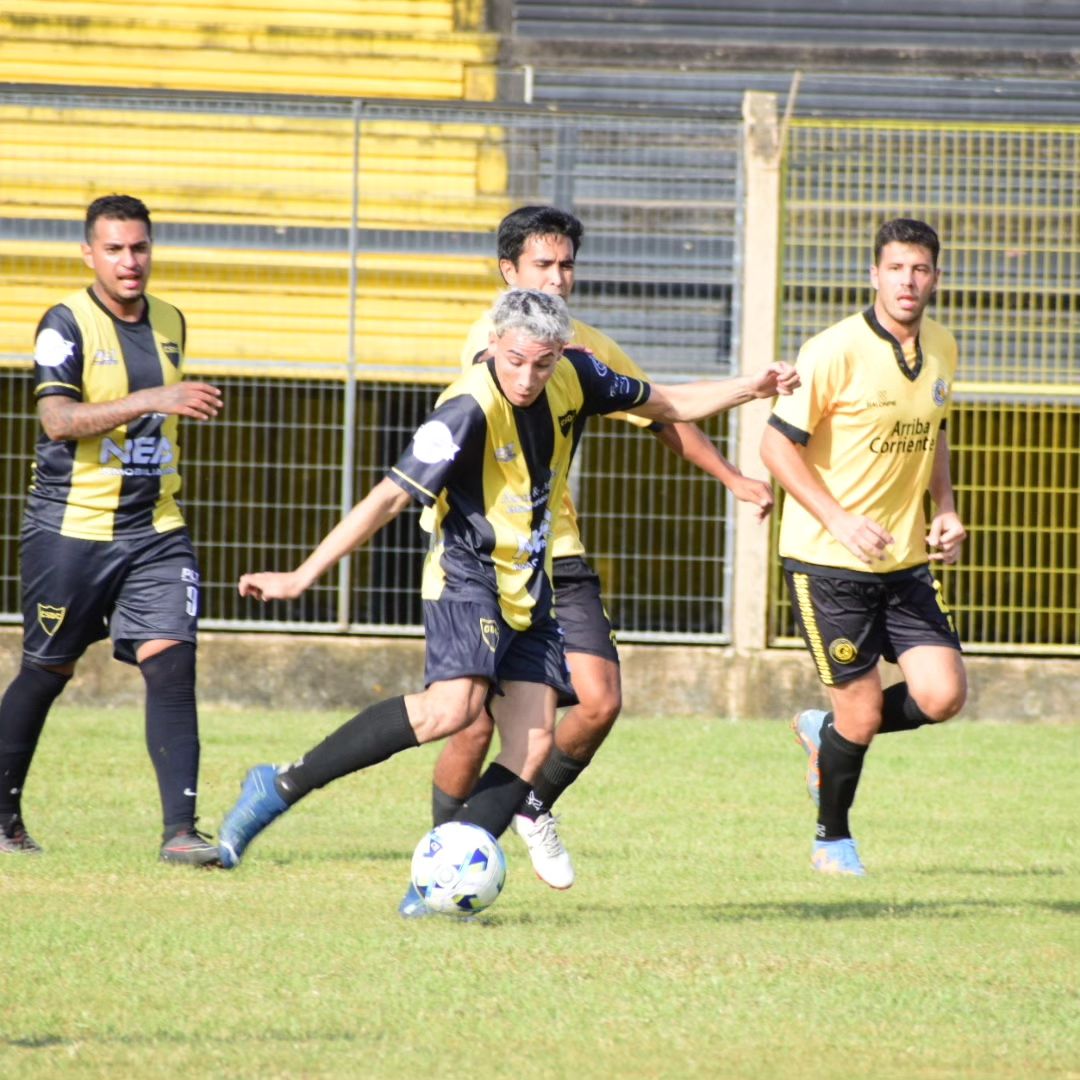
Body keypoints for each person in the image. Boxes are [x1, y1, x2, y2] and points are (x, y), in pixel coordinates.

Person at [217, 289, 798, 909]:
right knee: (453, 709)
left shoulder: (577, 374)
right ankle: (281, 785)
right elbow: (389, 496)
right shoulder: (466, 408)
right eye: (516, 360)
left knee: (532, 744)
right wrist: (302, 575)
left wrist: (753, 387)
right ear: (494, 343)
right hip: (468, 576)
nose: (527, 377)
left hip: (531, 580)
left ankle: (435, 889)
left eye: (542, 364)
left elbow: (668, 403)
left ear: (561, 354)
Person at [425, 205, 776, 896]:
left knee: (600, 700)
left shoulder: (586, 347)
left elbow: (661, 411)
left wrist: (732, 476)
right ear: (509, 272)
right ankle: (439, 856)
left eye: (567, 265)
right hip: (486, 559)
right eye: (543, 265)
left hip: (559, 550)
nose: (558, 278)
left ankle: (530, 804)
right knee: (469, 725)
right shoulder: (494, 340)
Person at [0, 194, 224, 865]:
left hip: (156, 526)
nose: (130, 261)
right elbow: (57, 422)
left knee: (172, 661)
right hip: (72, 529)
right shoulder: (64, 323)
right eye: (115, 249)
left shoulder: (171, 320)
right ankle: (3, 816)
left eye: (140, 247)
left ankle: (180, 832)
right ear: (89, 254)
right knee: (47, 670)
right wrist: (155, 398)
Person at [759, 218, 967, 877]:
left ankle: (825, 733)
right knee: (863, 706)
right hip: (828, 561)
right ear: (874, 274)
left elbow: (933, 432)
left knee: (943, 695)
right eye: (896, 268)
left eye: (920, 269)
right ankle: (832, 839)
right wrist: (840, 518)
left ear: (936, 277)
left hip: (903, 561)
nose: (909, 281)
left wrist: (946, 507)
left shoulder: (942, 346)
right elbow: (774, 447)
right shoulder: (833, 350)